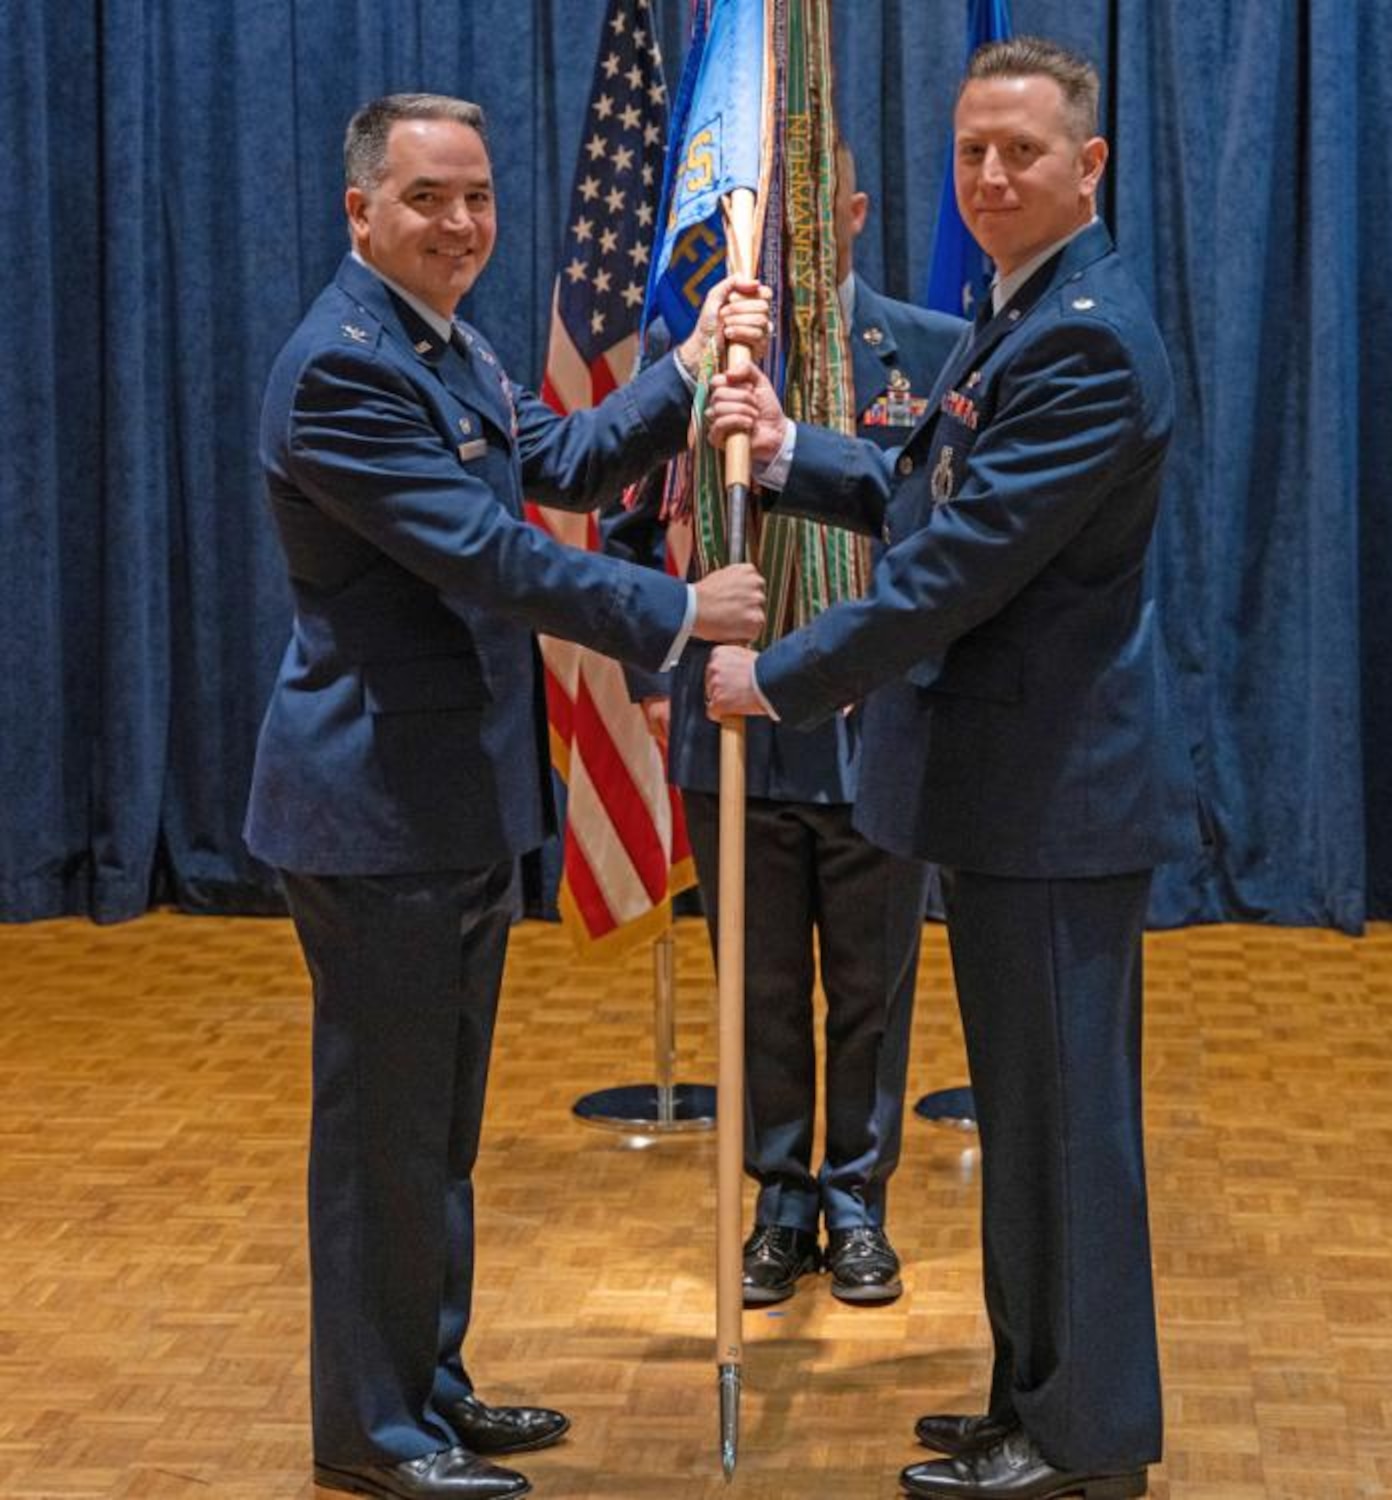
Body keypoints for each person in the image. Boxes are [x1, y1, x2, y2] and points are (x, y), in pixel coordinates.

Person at [245, 94, 767, 1500]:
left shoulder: (447, 341)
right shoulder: (345, 371)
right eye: (427, 198)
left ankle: (428, 1382)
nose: (461, 222)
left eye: (476, 195)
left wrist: (693, 353)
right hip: (375, 809)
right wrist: (682, 609)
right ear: (360, 211)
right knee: (385, 1133)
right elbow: (494, 556)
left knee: (437, 1126)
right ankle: (373, 1431)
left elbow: (569, 460)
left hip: (451, 801)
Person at [705, 37, 1198, 1500]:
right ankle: (1032, 1395)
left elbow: (959, 568)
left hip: (1052, 798)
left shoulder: (1087, 332)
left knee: (1066, 1137)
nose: (990, 176)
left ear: (1089, 167)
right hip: (1010, 795)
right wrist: (794, 450)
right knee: (1036, 1127)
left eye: (1023, 153)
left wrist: (778, 678)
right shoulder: (1023, 310)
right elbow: (933, 482)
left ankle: (1087, 1437)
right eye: (973, 150)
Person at [609, 137, 966, 1308]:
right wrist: (654, 668)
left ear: (855, 211)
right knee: (757, 984)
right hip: (736, 729)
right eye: (773, 215)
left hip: (875, 729)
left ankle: (857, 1197)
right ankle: (779, 1198)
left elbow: (951, 536)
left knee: (871, 983)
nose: (795, 233)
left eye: (815, 207)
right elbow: (623, 524)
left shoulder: (928, 352)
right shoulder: (699, 357)